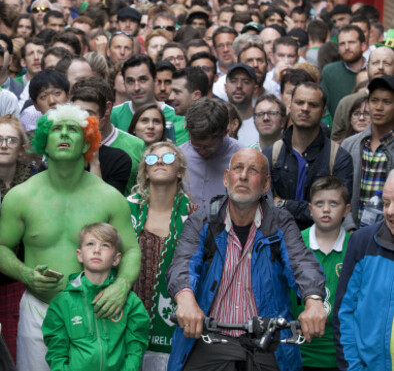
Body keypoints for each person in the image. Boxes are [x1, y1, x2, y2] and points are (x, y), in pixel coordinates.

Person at [0, 103, 141, 371]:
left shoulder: (108, 197)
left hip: (95, 310)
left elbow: (130, 250)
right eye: (56, 129)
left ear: (86, 145)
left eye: (72, 129)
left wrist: (121, 287)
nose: (63, 134)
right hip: (38, 308)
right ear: (44, 143)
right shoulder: (21, 196)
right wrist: (26, 274)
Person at [166, 148, 327, 371]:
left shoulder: (280, 222)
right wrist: (185, 301)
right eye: (238, 168)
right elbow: (182, 264)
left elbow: (301, 262)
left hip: (266, 342)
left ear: (266, 184)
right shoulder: (204, 219)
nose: (243, 176)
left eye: (253, 170)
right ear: (226, 177)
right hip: (210, 338)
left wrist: (314, 301)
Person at [42, 223, 150, 370]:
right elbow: (57, 354)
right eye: (90, 244)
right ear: (79, 255)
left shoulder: (131, 302)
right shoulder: (61, 303)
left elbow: (135, 349)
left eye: (105, 245)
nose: (97, 250)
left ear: (116, 259)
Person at [127, 141, 191, 369]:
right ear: (145, 170)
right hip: (126, 321)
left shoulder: (193, 216)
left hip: (173, 324)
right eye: (152, 159)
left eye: (169, 158)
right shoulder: (126, 209)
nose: (161, 161)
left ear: (180, 171)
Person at [265, 81, 354, 230]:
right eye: (300, 102)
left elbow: (337, 211)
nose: (305, 108)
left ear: (324, 111)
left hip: (321, 243)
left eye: (313, 105)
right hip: (277, 241)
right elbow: (264, 206)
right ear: (290, 106)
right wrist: (312, 208)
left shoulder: (338, 157)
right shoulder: (271, 154)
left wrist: (283, 204)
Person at [334, 170, 394, 370]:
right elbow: (345, 312)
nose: (390, 211)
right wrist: (353, 368)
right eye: (386, 203)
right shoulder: (362, 241)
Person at [0, 114, 34, 361]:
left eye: (11, 140)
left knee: (17, 352)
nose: (3, 145)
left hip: (20, 277)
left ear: (22, 148)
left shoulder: (36, 180)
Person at [290, 176, 351, 370]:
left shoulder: (355, 247)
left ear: (347, 210)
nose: (326, 209)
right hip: (299, 351)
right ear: (310, 209)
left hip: (341, 353)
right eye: (319, 203)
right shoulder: (295, 243)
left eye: (334, 203)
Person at [341, 75, 394, 228]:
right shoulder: (350, 144)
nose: (378, 107)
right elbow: (340, 190)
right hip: (352, 231)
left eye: (387, 102)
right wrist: (349, 228)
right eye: (374, 100)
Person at [180, 97, 244, 208]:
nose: (201, 151)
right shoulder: (178, 157)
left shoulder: (243, 158)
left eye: (208, 148)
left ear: (225, 133)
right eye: (196, 146)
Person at [111, 55, 187, 145]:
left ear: (155, 80)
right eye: (130, 81)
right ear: (124, 83)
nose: (136, 87)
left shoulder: (176, 117)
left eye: (143, 80)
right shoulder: (113, 116)